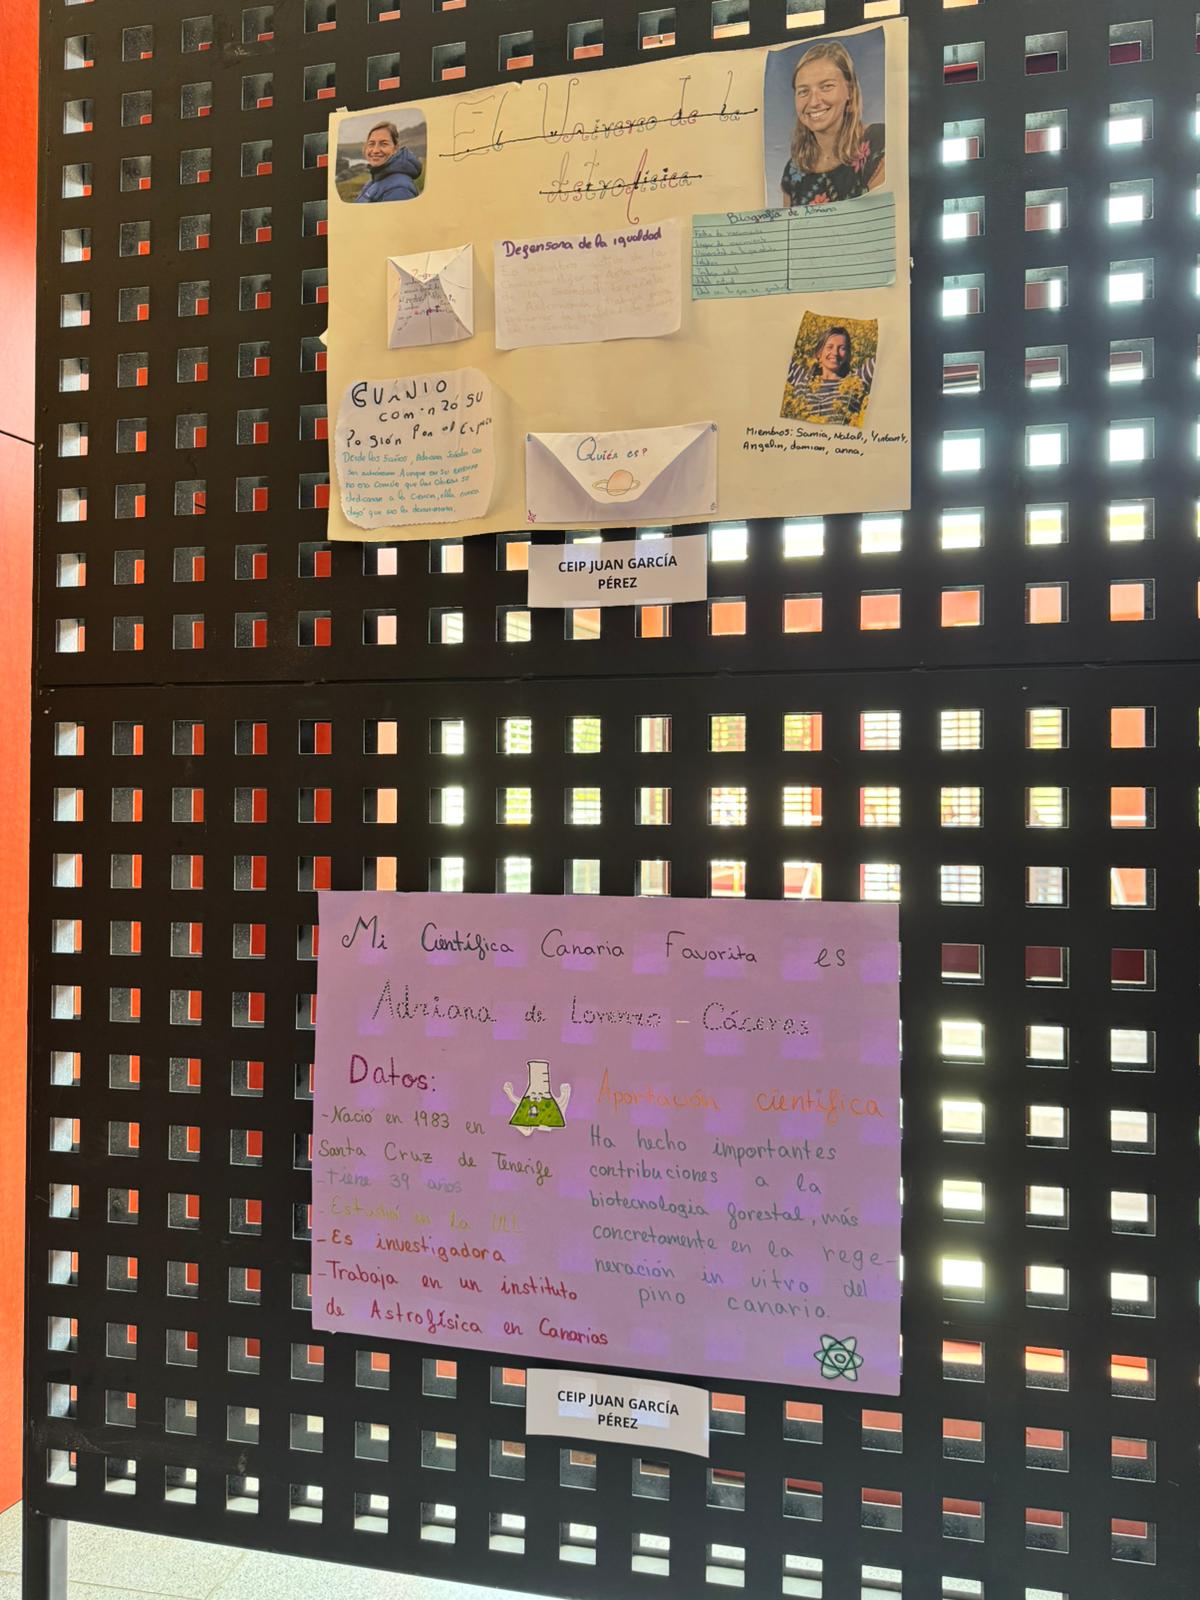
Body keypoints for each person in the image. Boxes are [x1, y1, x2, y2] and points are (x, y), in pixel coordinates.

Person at [780, 40, 885, 207]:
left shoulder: (879, 142)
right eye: (803, 91)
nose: (813, 102)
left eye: (826, 86)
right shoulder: (794, 170)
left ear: (850, 91)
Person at [782, 325, 875, 428]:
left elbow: (883, 356)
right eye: (829, 347)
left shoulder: (857, 380)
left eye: (842, 348)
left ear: (848, 355)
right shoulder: (802, 378)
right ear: (819, 353)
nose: (835, 353)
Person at [354, 121, 422, 203]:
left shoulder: (399, 189)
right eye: (371, 144)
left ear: (395, 148)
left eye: (384, 144)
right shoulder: (377, 178)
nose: (375, 150)